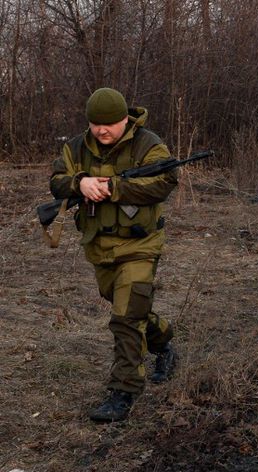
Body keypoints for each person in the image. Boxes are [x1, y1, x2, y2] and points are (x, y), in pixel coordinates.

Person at [50, 88, 178, 422]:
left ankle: (123, 392)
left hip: (139, 245)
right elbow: (56, 181)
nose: (101, 131)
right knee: (131, 309)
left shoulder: (149, 144)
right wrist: (79, 183)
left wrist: (112, 188)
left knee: (124, 318)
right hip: (99, 245)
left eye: (109, 124)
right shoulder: (76, 146)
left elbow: (164, 181)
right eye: (95, 124)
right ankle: (163, 342)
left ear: (126, 119)